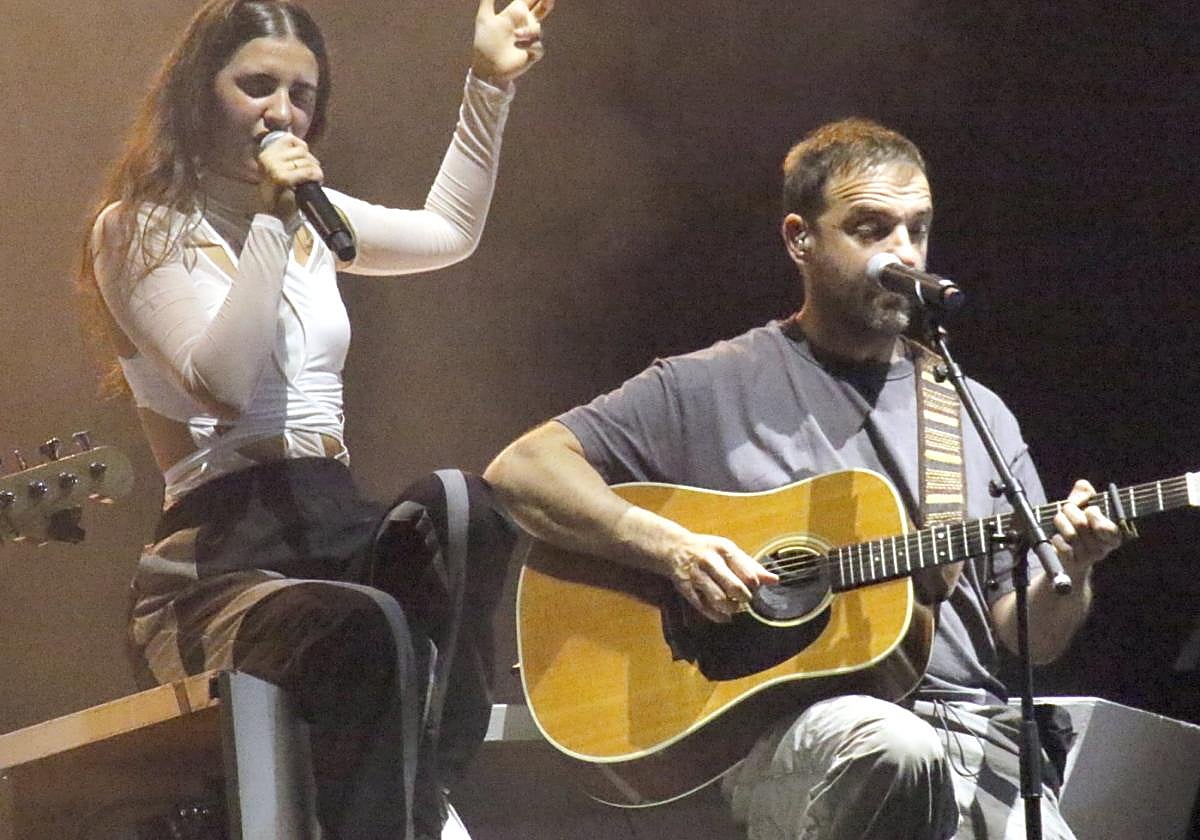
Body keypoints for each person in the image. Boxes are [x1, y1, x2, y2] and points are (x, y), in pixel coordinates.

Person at [484, 118, 1123, 839]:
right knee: (893, 748)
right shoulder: (712, 385)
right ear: (801, 239)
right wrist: (671, 548)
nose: (903, 252)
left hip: (976, 741)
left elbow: (1030, 639)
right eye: (871, 229)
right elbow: (523, 470)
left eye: (917, 229)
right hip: (796, 740)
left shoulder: (975, 413)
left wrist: (1073, 568)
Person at [77, 1, 554, 837]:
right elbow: (222, 385)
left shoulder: (312, 218)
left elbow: (447, 232)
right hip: (222, 557)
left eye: (301, 94)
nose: (282, 112)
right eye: (257, 85)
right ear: (200, 90)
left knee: (464, 506)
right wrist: (272, 217)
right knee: (361, 621)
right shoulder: (139, 229)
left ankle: (421, 796)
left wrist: (487, 84)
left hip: (333, 517)